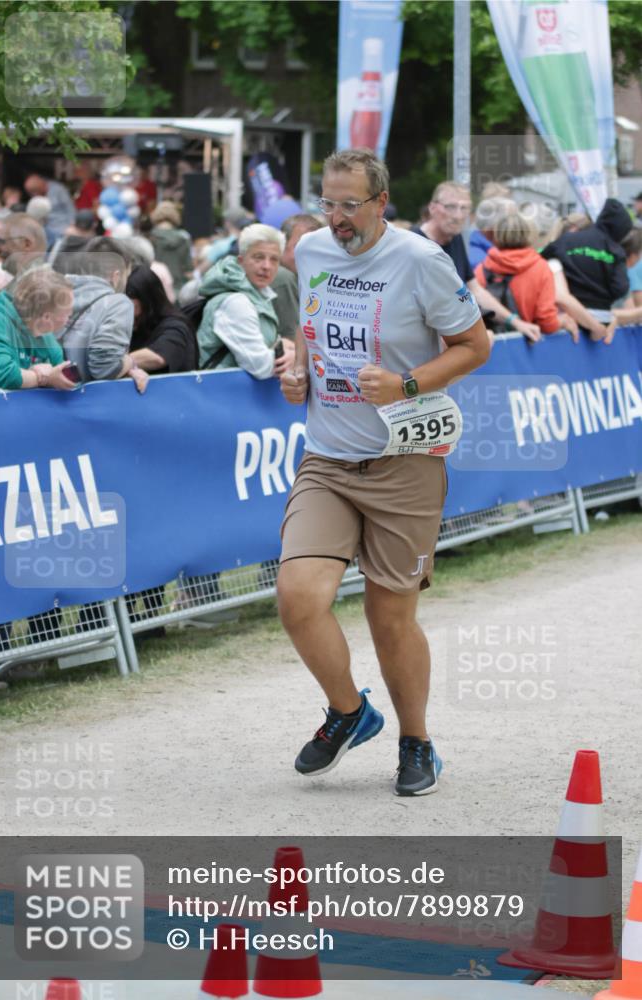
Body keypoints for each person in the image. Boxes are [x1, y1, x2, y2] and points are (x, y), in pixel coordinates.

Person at [277, 149, 489, 796]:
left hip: (405, 460)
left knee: (388, 615)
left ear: (381, 202)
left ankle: (416, 741)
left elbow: (475, 345)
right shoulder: (311, 251)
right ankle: (348, 713)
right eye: (327, 202)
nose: (336, 217)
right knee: (297, 598)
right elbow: (313, 326)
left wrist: (406, 383)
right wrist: (298, 367)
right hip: (329, 457)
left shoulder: (420, 260)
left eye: (349, 204)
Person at [416, 181, 542, 342]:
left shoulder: (455, 238)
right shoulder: (414, 243)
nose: (458, 215)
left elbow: (475, 290)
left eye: (464, 208)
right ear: (432, 208)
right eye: (451, 207)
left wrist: (516, 322)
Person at [197, 223, 295, 377]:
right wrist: (295, 358)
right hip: (223, 396)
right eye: (259, 257)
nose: (266, 266)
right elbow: (261, 367)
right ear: (241, 261)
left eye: (274, 259)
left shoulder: (258, 296)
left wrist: (284, 347)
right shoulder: (236, 302)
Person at [58, 236, 147, 392]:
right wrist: (128, 361)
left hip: (42, 398)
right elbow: (105, 368)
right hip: (85, 401)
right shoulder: (118, 303)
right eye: (127, 276)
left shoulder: (54, 292)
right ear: (116, 276)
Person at [475, 213, 578, 339]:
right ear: (528, 234)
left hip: (490, 346)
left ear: (496, 236)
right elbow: (546, 322)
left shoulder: (482, 269)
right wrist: (562, 321)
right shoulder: (540, 268)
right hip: (528, 346)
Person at [0, 266, 74, 391]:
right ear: (46, 317)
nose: (69, 319)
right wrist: (42, 378)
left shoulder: (43, 333)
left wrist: (59, 378)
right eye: (68, 314)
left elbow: (60, 374)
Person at [541, 198, 632, 318]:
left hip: (566, 312)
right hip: (600, 314)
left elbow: (541, 260)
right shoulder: (616, 251)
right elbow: (620, 288)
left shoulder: (567, 239)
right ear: (622, 229)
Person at [126, 264, 197, 373]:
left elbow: (158, 357)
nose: (127, 315)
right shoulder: (134, 327)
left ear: (148, 302)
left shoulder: (176, 327)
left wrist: (116, 364)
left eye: (131, 308)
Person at [271, 213, 323, 340]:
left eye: (316, 249)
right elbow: (293, 339)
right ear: (282, 246)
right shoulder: (283, 277)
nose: (309, 255)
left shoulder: (307, 280)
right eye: (300, 246)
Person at [149, 201, 193, 292]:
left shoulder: (150, 238)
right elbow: (188, 271)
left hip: (155, 289)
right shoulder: (184, 238)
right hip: (178, 288)